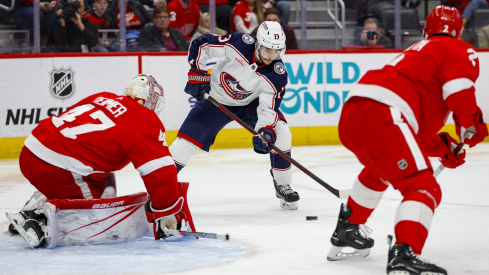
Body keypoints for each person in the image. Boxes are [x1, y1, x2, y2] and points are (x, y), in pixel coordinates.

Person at [326, 6, 488, 274]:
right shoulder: (457, 49)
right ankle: (405, 252)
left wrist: (443, 147)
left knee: (380, 171)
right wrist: (471, 123)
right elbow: (459, 92)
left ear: (427, 29)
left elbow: (410, 137)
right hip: (385, 113)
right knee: (423, 187)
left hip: (356, 113)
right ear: (457, 32)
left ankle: (349, 228)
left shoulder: (418, 53)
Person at [6, 74, 195, 248]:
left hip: (31, 151)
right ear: (149, 99)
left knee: (99, 179)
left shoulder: (102, 96)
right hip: (59, 170)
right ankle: (38, 218)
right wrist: (166, 212)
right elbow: (159, 171)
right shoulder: (143, 118)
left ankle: (41, 199)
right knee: (96, 220)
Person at [169, 21, 301, 210]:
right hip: (216, 99)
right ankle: (160, 187)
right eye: (267, 51)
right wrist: (197, 72)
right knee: (184, 144)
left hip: (250, 105)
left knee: (281, 132)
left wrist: (265, 131)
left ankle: (282, 184)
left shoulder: (277, 74)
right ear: (257, 43)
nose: (271, 56)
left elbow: (268, 109)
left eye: (276, 51)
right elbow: (202, 43)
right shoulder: (239, 43)